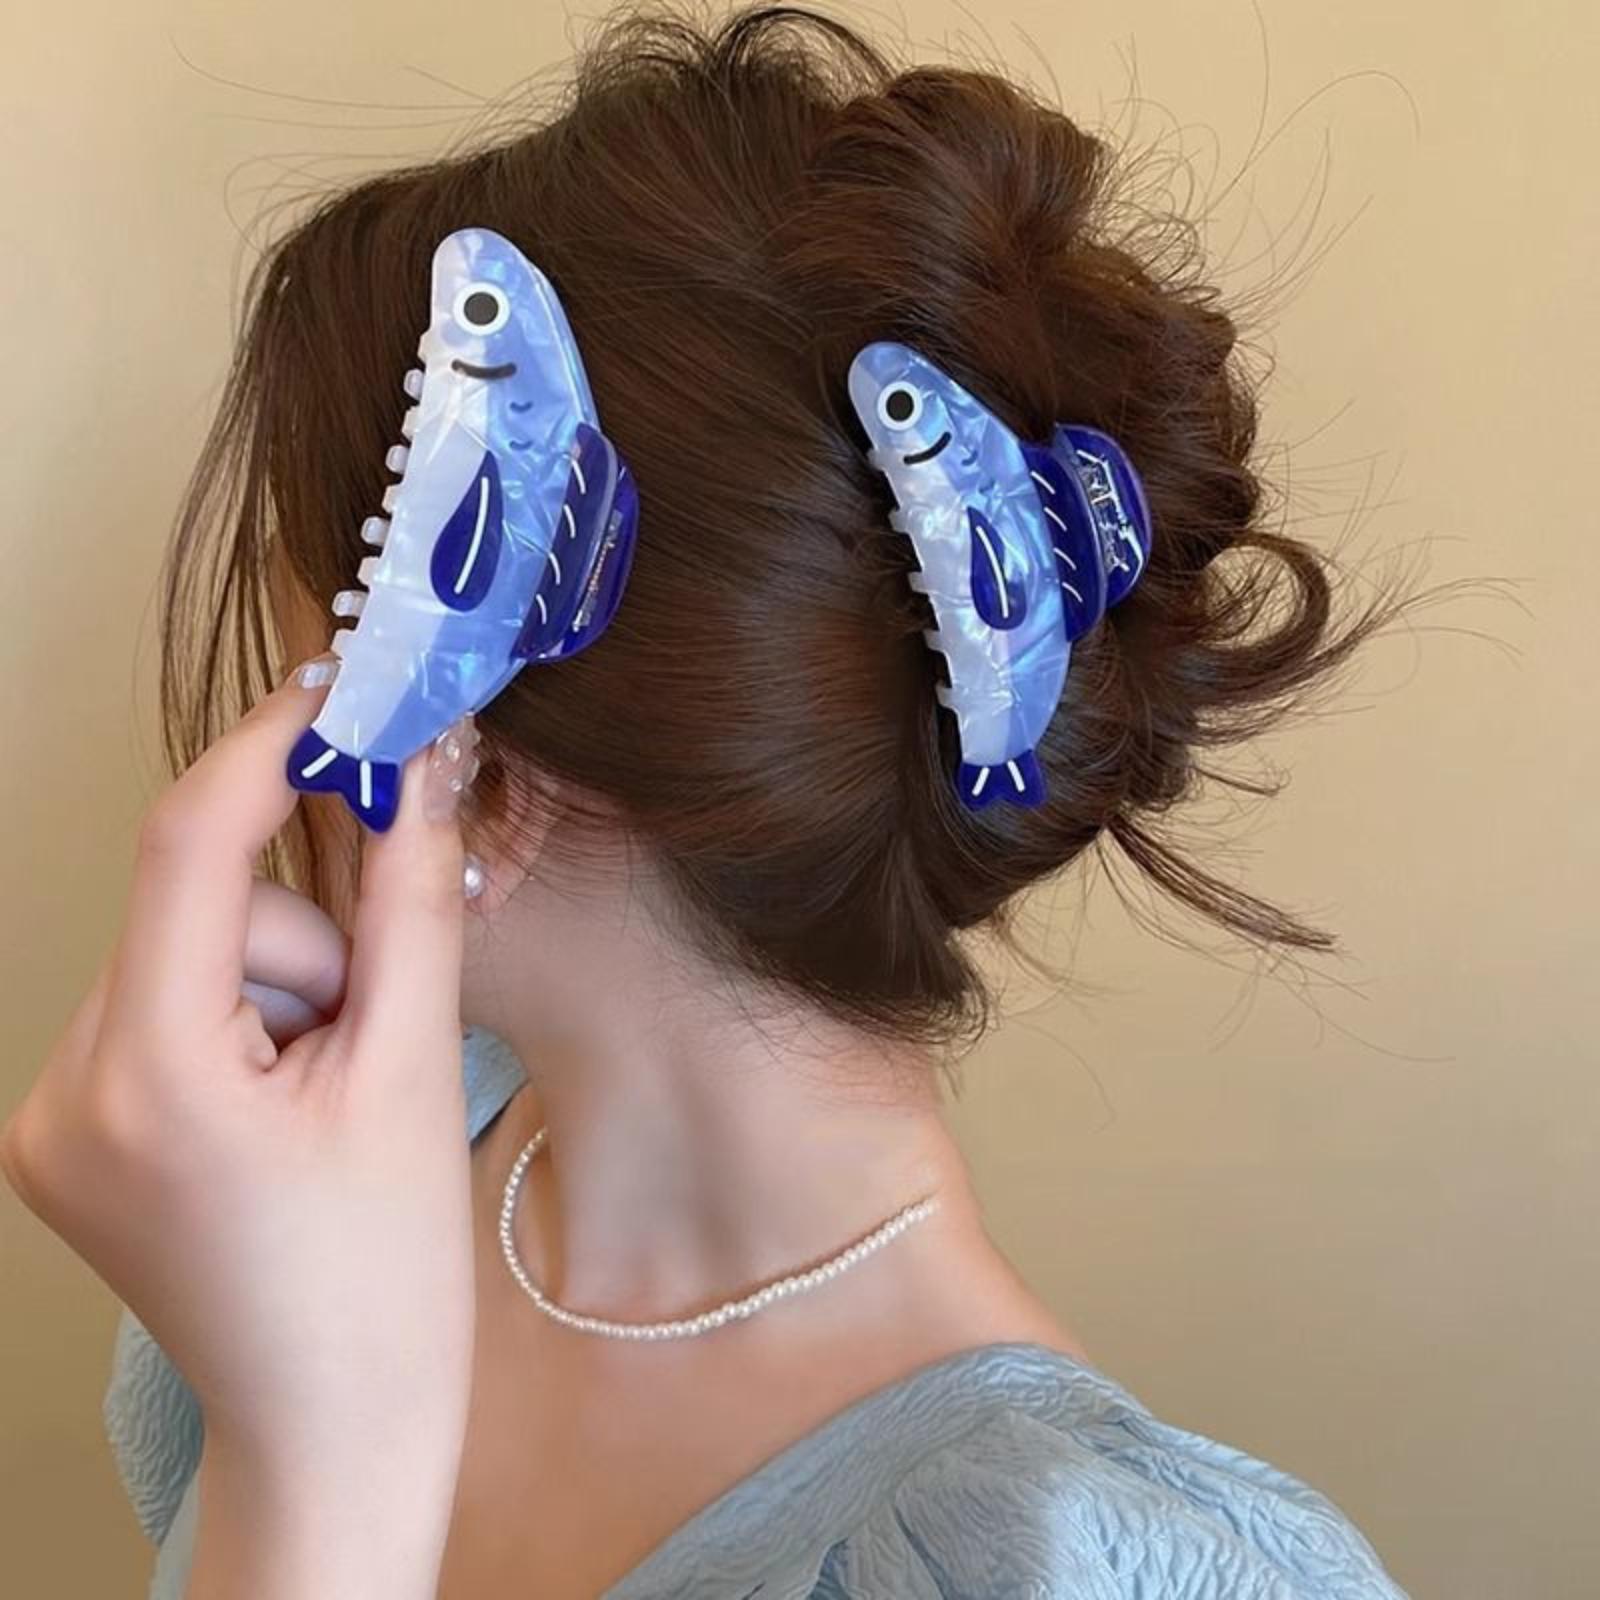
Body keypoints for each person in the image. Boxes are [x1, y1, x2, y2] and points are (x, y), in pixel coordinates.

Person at [2, 5, 1425, 1596]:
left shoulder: (1063, 1567)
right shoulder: (314, 1187)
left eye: (301, 648)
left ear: (476, 771)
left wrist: (320, 1463)